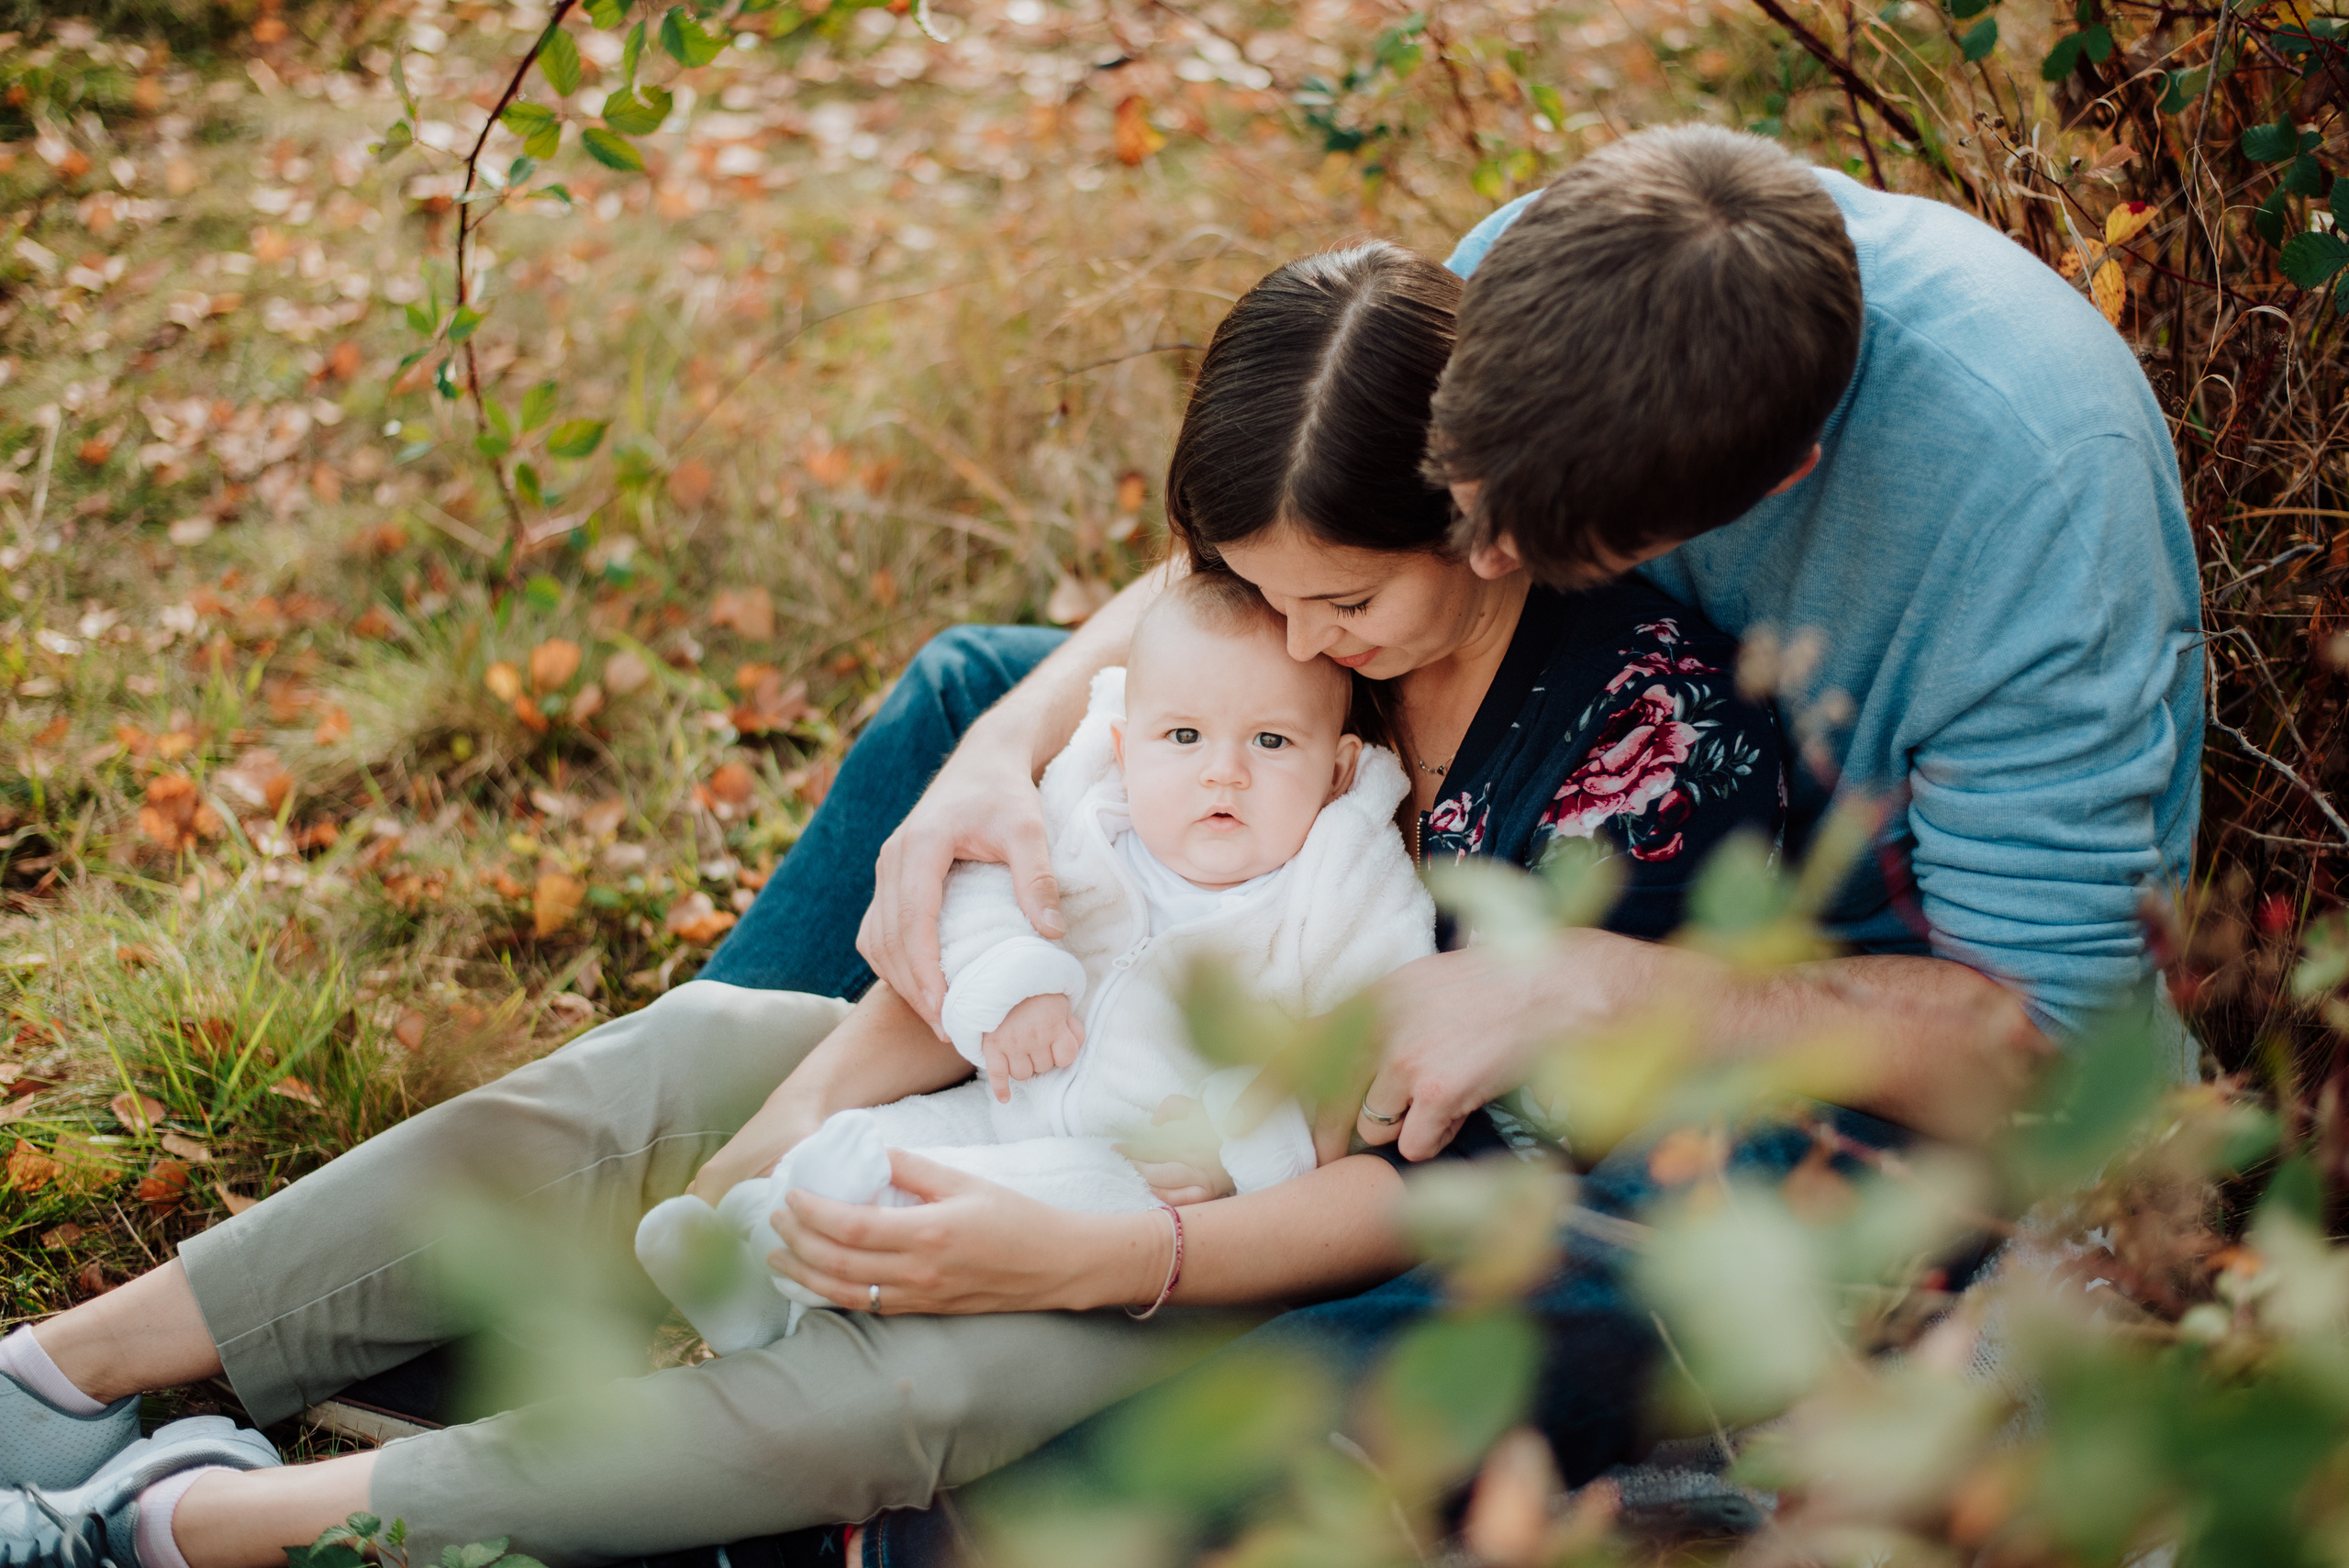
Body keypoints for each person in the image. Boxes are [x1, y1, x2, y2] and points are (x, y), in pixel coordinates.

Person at [0, 239, 1779, 1568]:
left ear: (1483, 521)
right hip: (1052, 1078)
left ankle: (188, 1522)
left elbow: (1489, 1195)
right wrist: (810, 1094)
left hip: (1255, 1234)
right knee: (699, 1051)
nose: (1299, 643)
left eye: (1344, 607)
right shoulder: (1276, 595)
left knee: (917, 1386)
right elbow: (1080, 821)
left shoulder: (1636, 753)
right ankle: (68, 1375)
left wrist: (1108, 1257)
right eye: (1250, 587)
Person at [839, 124, 2206, 1559]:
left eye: (1529, 540)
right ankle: (738, 1155)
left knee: (1612, 1246)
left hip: (1821, 1017)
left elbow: (2043, 1058)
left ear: (1774, 484)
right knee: (965, 692)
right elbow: (1307, 549)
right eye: (1459, 503)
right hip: (1479, 802)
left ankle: (982, 1532)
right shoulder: (1572, 269)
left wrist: (1593, 988)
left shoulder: (2034, 519)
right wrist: (1003, 753)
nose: (1477, 556)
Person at [636, 572, 1439, 1356]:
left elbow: (1355, 1048)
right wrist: (1015, 979)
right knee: (872, 1137)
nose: (1223, 770)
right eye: (1184, 737)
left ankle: (814, 1263)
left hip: (1136, 1169)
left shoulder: (1335, 886)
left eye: (1271, 741)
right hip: (1002, 1097)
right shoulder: (1093, 818)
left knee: (949, 1196)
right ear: (1125, 748)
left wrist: (1240, 1152)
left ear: (1337, 769)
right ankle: (749, 1249)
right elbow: (980, 898)